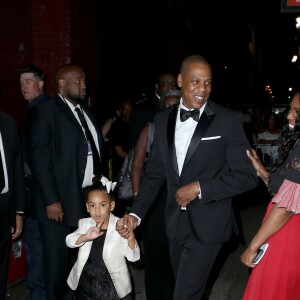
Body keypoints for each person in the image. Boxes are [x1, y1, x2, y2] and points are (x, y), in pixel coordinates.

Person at [116, 54, 258, 300]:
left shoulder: (227, 120)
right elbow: (155, 174)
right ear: (180, 81)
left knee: (184, 294)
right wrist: (136, 214)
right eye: (195, 81)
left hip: (209, 224)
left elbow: (247, 177)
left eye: (208, 82)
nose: (203, 89)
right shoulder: (162, 120)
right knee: (182, 290)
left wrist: (200, 188)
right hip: (174, 224)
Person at [27, 64, 106, 300]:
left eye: (84, 81)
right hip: (58, 205)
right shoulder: (46, 111)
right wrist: (51, 200)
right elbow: (39, 160)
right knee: (57, 269)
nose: (84, 85)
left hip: (83, 199)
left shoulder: (86, 112)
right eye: (78, 81)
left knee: (81, 263)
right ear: (61, 83)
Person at [241, 90, 300, 299]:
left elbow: (285, 208)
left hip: (286, 234)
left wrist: (253, 246)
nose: (289, 116)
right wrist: (262, 171)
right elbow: (286, 192)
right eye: (291, 109)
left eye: (296, 111)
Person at [131, 89, 181, 300]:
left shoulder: (193, 131)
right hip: (155, 199)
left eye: (175, 106)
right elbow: (137, 165)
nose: (171, 110)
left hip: (181, 202)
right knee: (156, 256)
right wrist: (137, 197)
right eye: (166, 107)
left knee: (177, 260)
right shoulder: (151, 130)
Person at [66, 176, 140, 300]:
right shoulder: (84, 224)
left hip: (113, 284)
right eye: (92, 206)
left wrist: (129, 235)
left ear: (111, 205)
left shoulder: (120, 226)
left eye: (102, 205)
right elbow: (69, 241)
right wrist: (85, 237)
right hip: (87, 281)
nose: (97, 211)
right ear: (87, 207)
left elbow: (133, 257)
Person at [19, 64, 47, 300]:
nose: (23, 86)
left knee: (38, 251)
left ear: (41, 84)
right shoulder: (33, 112)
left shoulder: (42, 111)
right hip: (34, 195)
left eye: (28, 81)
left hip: (39, 196)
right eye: (21, 82)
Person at [0, 111, 26, 300]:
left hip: (5, 205)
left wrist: (19, 211)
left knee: (2, 266)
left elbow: (17, 167)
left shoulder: (8, 122)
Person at [127, 71, 178, 149]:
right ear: (157, 86)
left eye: (173, 83)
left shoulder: (183, 105)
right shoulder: (142, 109)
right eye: (166, 84)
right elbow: (133, 142)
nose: (171, 87)